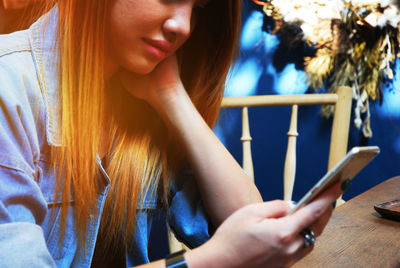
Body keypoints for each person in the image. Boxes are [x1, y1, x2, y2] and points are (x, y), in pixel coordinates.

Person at [0, 0, 347, 267]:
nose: (183, 26)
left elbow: (248, 224)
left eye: (198, 7)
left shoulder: (141, 104)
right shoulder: (9, 86)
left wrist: (171, 96)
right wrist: (210, 261)